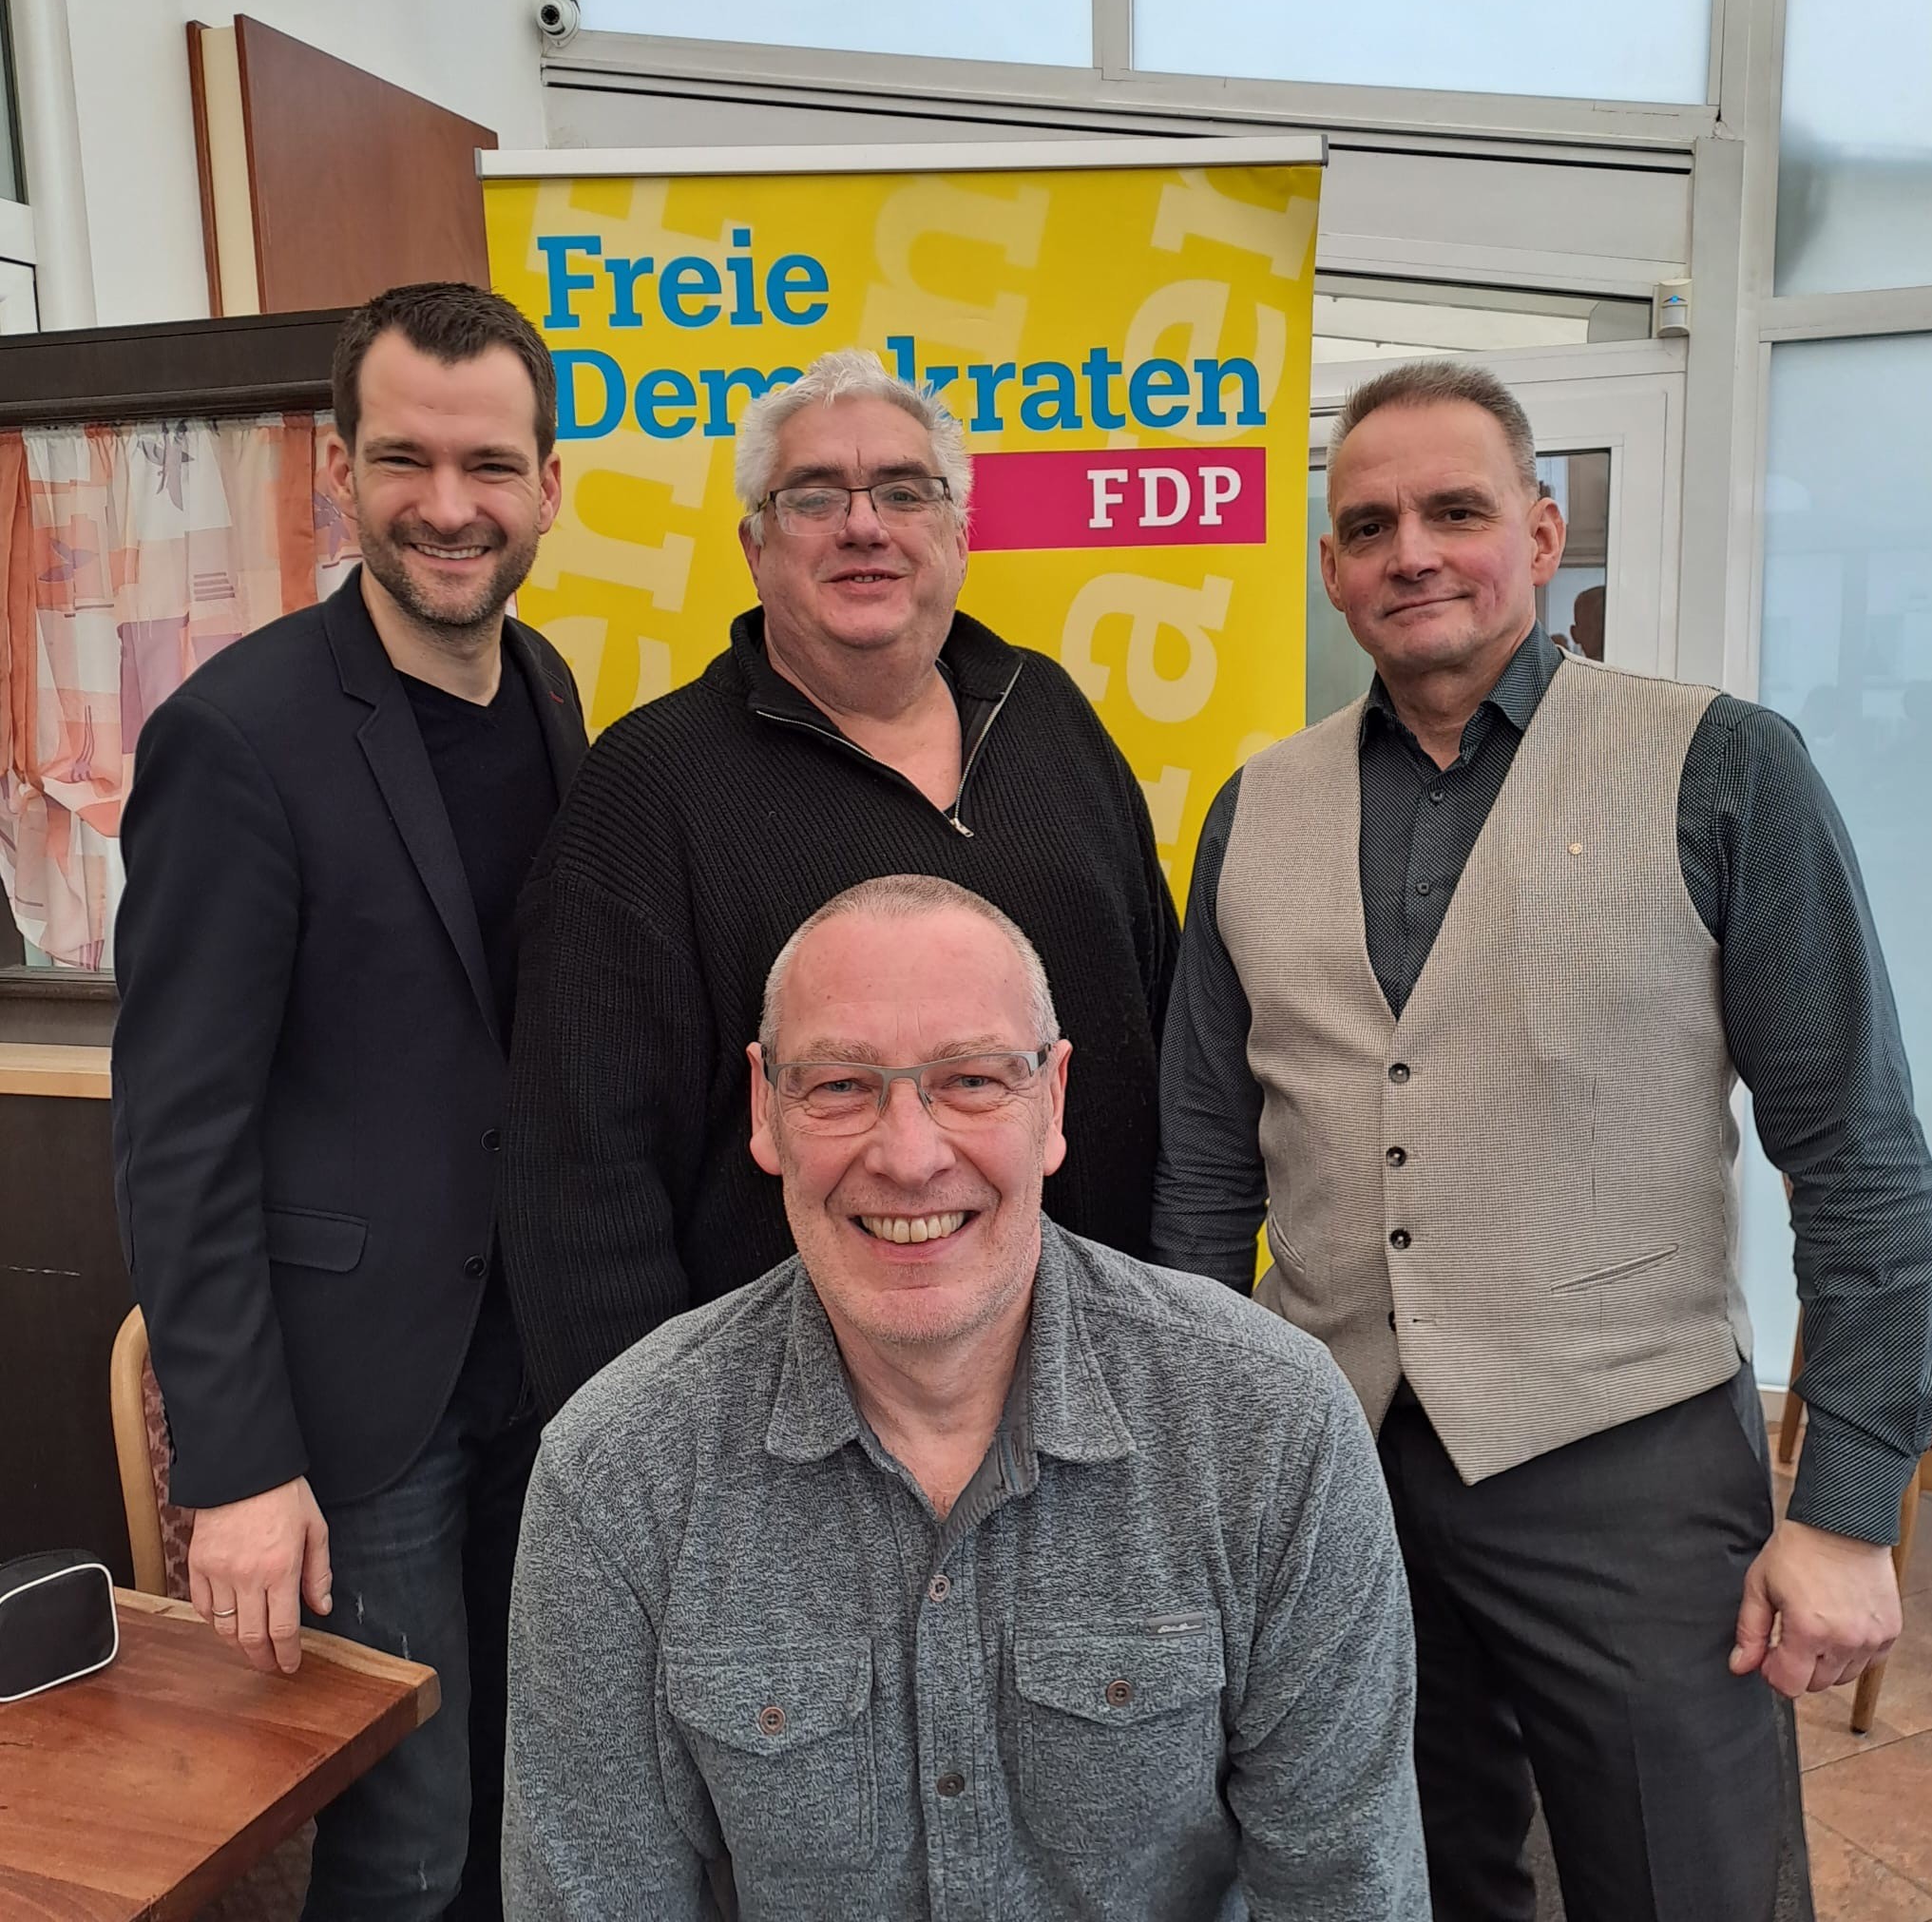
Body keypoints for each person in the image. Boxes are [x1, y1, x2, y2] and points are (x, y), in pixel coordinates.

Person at [1152, 358, 1932, 1921]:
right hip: (1336, 1468)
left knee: (1684, 1880)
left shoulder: (1723, 767)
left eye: (1454, 512)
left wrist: (1848, 1507)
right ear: (1330, 567)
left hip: (1628, 1464)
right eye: (1368, 525)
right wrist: (1194, 1462)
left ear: (1537, 529)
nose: (1411, 553)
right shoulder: (1254, 810)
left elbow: (1857, 1155)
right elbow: (1203, 1172)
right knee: (1389, 1879)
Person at [504, 874, 1428, 1921]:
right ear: (765, 1109)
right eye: (840, 1084)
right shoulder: (615, 1477)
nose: (909, 1154)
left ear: (1053, 1102)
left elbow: (1346, 1891)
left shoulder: (1272, 1428)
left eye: (973, 1080)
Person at [112, 282, 587, 1920]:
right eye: (405, 460)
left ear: (547, 484)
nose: (449, 506)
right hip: (356, 1413)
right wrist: (236, 1469)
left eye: (489, 465)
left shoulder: (548, 692)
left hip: (536, 1374)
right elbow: (177, 1133)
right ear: (340, 470)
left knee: (526, 1800)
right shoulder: (234, 736)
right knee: (403, 1844)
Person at [501, 349, 1177, 1416]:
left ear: (959, 533)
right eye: (813, 496)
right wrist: (648, 1457)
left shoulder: (1050, 718)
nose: (863, 526)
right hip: (790, 1439)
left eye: (904, 491)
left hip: (1102, 1400)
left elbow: (1164, 1032)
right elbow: (581, 1181)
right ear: (754, 546)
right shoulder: (647, 791)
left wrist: (1178, 1353)